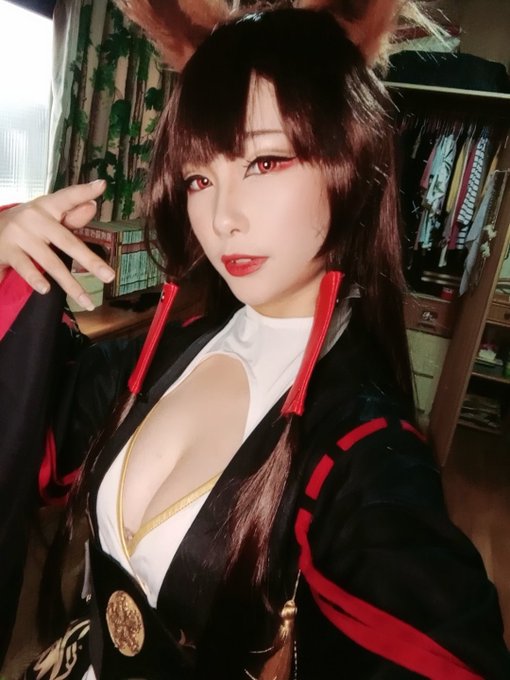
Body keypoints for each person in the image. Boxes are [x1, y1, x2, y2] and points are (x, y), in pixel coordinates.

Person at [0, 1, 509, 678]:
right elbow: (24, 425)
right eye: (199, 177)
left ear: (351, 162)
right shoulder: (166, 350)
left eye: (265, 162)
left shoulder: (359, 448)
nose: (222, 218)